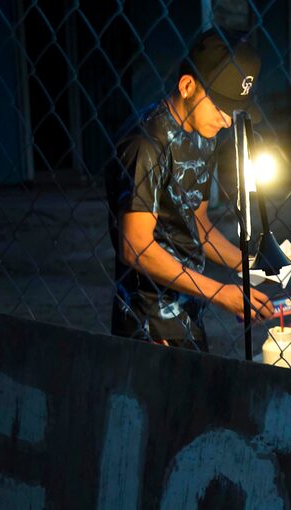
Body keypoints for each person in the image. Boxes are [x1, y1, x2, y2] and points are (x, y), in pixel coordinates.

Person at [106, 30, 273, 352]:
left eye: (234, 110)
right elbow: (135, 247)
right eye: (220, 107)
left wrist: (247, 263)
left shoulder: (203, 135)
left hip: (190, 310)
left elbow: (197, 221)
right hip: (147, 322)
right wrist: (220, 292)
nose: (226, 121)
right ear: (187, 86)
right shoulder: (146, 144)